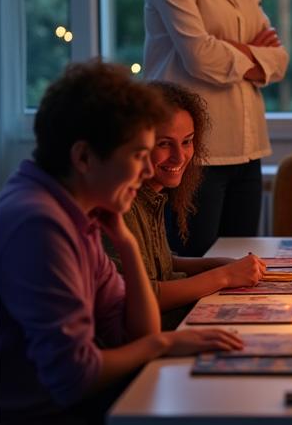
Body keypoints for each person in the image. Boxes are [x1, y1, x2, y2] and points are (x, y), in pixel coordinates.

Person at [0, 62, 243, 425]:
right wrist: (164, 342)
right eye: (137, 156)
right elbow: (73, 377)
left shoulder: (80, 210)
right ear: (83, 158)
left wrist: (125, 243)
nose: (147, 173)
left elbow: (131, 330)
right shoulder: (40, 223)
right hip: (46, 420)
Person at [143, 0, 289, 256]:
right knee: (193, 264)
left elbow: (279, 60)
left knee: (243, 268)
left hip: (247, 146)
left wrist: (232, 50)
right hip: (191, 150)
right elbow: (198, 55)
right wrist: (251, 54)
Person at [107, 81, 266, 330]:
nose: (180, 157)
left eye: (187, 141)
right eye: (164, 144)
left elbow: (163, 263)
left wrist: (219, 263)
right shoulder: (121, 203)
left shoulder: (152, 194)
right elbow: (142, 296)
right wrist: (223, 276)